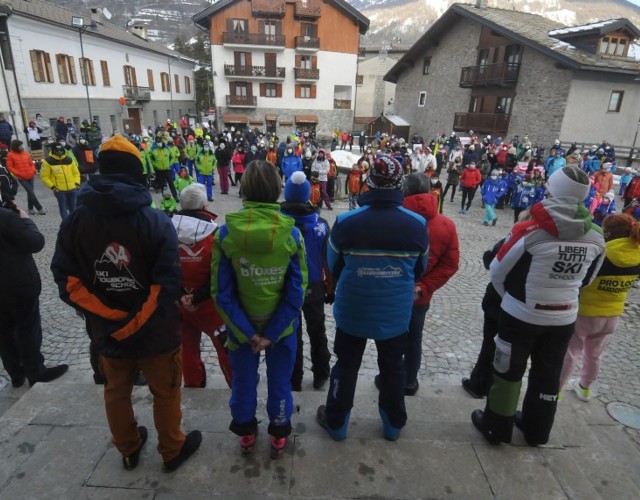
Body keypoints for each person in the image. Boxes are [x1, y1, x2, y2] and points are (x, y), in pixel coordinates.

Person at [51, 135, 202, 472]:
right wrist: (132, 321)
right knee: (165, 391)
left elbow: (67, 281)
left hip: (106, 333)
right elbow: (166, 284)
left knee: (116, 391)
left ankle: (129, 448)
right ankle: (172, 449)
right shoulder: (155, 221)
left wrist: (110, 318)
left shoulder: (74, 221)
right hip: (156, 334)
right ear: (137, 172)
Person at [472, 166, 606, 447]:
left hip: (520, 314)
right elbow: (587, 280)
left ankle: (497, 427)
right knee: (548, 374)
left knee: (507, 370)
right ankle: (537, 431)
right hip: (563, 317)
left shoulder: (528, 230)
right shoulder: (596, 235)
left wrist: (510, 299)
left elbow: (497, 271)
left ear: (553, 191)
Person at [316, 155, 428, 442]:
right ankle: (393, 425)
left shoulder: (345, 222)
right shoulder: (417, 225)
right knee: (393, 367)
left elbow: (333, 266)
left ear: (369, 182)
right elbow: (420, 268)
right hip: (394, 313)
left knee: (346, 364)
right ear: (399, 183)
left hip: (354, 310)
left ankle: (337, 422)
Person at [212, 160, 307, 458]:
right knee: (280, 381)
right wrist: (272, 332)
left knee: (243, 382)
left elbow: (221, 293)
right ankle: (279, 432)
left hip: (243, 331)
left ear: (244, 189)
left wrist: (249, 333)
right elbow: (297, 290)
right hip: (282, 329)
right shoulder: (292, 235)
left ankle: (245, 431)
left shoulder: (225, 234)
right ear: (278, 189)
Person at [374, 173, 457, 395]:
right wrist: (424, 286)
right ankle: (409, 381)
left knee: (389, 337)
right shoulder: (446, 225)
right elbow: (450, 264)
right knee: (414, 337)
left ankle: (387, 378)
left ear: (405, 191)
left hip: (391, 291)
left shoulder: (389, 220)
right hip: (419, 295)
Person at [559, 214, 640, 402]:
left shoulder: (603, 253)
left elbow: (582, 278)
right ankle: (585, 388)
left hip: (586, 313)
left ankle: (556, 390)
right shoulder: (637, 253)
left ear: (609, 233)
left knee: (570, 353)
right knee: (595, 354)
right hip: (612, 315)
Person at [172, 184, 232, 388]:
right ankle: (236, 384)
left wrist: (182, 295)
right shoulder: (215, 234)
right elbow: (220, 273)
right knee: (225, 346)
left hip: (179, 302)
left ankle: (193, 384)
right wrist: (196, 297)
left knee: (186, 347)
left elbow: (162, 268)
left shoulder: (167, 231)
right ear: (204, 205)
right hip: (210, 304)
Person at [281, 171, 332, 391]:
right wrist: (331, 286)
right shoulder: (320, 225)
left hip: (287, 287)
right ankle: (321, 373)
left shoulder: (280, 225)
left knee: (292, 334)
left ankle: (294, 378)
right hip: (315, 286)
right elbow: (328, 261)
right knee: (317, 330)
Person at [40, 142, 80, 219]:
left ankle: (74, 225)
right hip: (60, 190)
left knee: (73, 209)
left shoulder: (69, 159)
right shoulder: (48, 161)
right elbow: (44, 177)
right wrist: (53, 187)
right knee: (63, 209)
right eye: (57, 150)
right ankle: (66, 226)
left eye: (61, 150)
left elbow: (76, 173)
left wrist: (76, 183)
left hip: (72, 188)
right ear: (53, 151)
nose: (59, 152)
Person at [6, 140, 45, 215]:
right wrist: (18, 173)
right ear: (16, 146)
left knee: (30, 193)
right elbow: (9, 166)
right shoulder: (10, 155)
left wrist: (33, 170)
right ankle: (39, 208)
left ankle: (30, 208)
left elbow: (31, 163)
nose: (21, 147)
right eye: (20, 145)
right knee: (31, 193)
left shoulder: (26, 153)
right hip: (22, 178)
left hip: (31, 176)